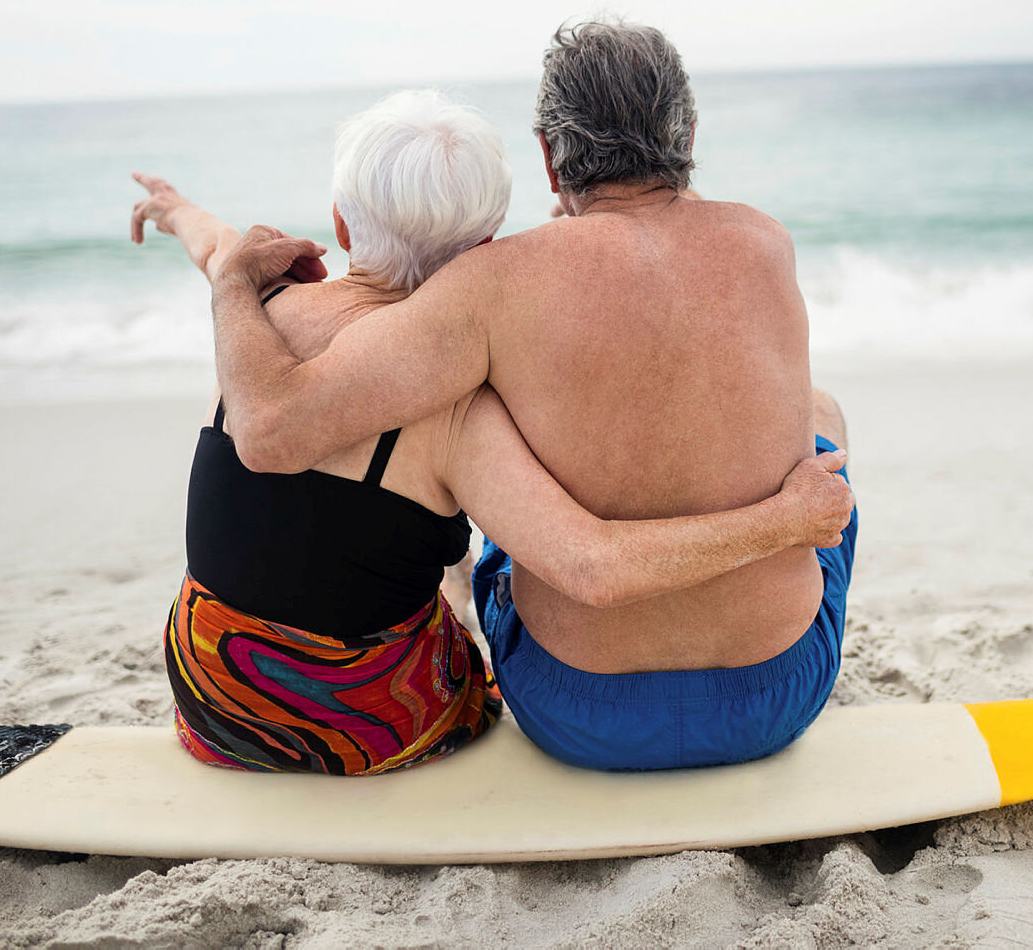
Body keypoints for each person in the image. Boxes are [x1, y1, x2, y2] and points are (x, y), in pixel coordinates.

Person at [130, 89, 854, 776]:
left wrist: (177, 212)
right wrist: (784, 518)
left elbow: (218, 250)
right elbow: (591, 566)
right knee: (514, 519)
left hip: (209, 695)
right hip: (372, 726)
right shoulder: (461, 411)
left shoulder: (255, 314)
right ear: (484, 244)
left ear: (341, 227)